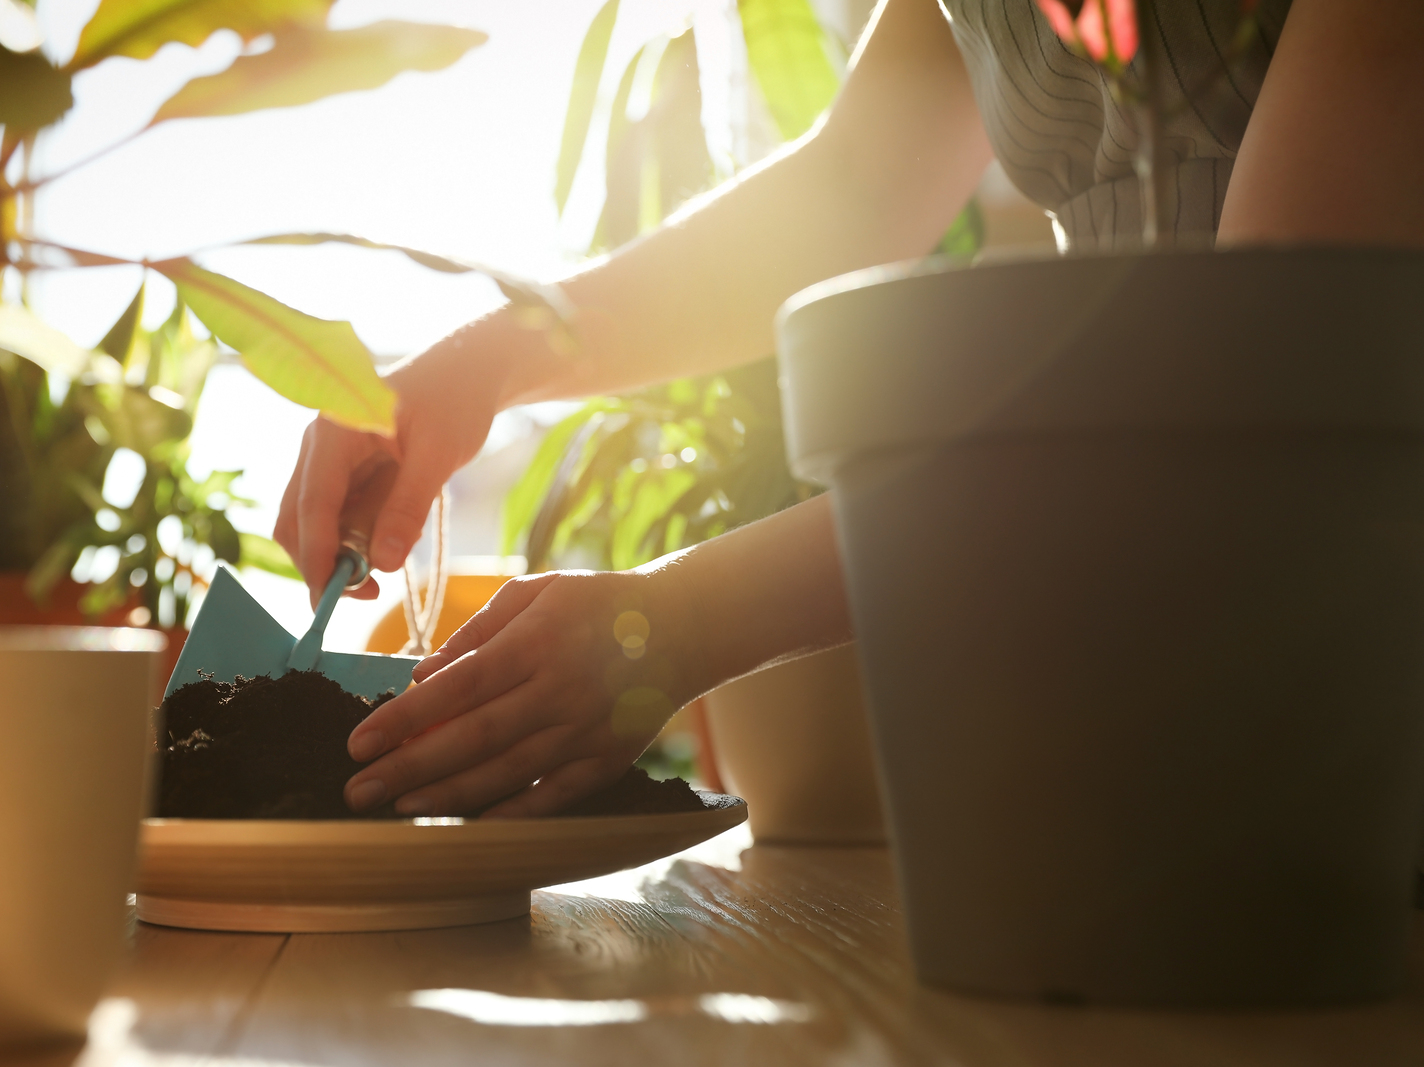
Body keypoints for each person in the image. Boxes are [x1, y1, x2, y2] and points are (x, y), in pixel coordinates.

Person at [274, 0, 1424, 818]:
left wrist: (672, 621)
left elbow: (1258, 367)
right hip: (1134, 632)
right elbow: (855, 185)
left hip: (1353, 620)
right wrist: (484, 362)